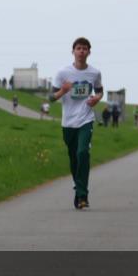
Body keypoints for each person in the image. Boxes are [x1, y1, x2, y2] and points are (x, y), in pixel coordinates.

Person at [51, 37, 103, 210]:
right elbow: (51, 98)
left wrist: (96, 99)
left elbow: (100, 90)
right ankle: (78, 187)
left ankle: (82, 195)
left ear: (89, 52)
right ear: (73, 51)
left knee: (82, 153)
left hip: (86, 119)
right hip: (68, 122)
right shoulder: (63, 73)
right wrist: (63, 90)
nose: (81, 51)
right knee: (74, 158)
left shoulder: (94, 73)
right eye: (78, 48)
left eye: (85, 48)